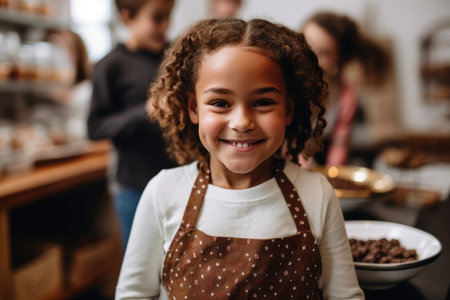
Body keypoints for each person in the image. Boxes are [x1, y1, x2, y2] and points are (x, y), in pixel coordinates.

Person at [115, 18, 364, 299]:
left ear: (288, 109)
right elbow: (132, 294)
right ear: (193, 108)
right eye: (220, 103)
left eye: (263, 102)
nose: (242, 122)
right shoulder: (163, 193)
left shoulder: (316, 194)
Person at [87, 0, 176, 251]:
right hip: (135, 186)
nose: (166, 26)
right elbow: (96, 128)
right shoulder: (110, 65)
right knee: (141, 261)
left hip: (179, 179)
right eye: (157, 18)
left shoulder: (174, 56)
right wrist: (145, 111)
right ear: (127, 17)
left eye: (169, 17)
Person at [302, 12, 390, 166]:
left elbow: (340, 143)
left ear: (339, 59)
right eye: (306, 46)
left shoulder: (346, 94)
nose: (311, 57)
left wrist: (332, 175)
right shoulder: (289, 86)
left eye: (324, 53)